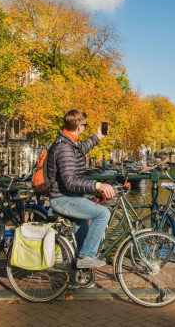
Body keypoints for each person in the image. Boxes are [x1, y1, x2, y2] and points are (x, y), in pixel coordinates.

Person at [47, 109, 115, 268]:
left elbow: (81, 149)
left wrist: (98, 136)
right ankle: (86, 257)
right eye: (85, 125)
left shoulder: (69, 143)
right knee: (103, 213)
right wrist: (98, 185)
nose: (85, 128)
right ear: (79, 126)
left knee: (83, 229)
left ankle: (79, 273)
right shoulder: (63, 148)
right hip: (62, 198)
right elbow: (70, 181)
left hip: (70, 196)